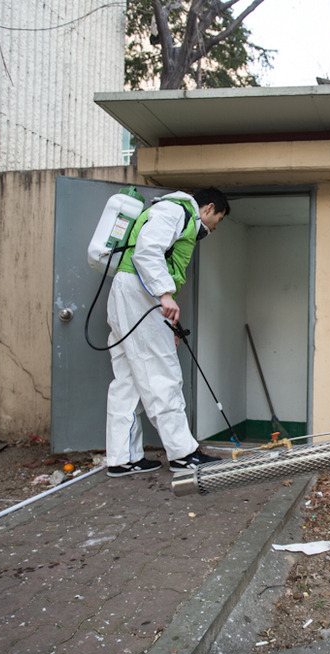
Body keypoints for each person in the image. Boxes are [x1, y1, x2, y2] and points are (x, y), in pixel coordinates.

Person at [105, 187, 231, 477]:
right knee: (162, 373)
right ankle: (183, 454)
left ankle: (122, 458)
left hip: (128, 294)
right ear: (209, 208)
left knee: (128, 380)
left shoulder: (171, 212)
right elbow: (147, 251)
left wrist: (167, 317)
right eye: (219, 219)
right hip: (141, 294)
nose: (214, 227)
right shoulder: (176, 210)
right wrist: (164, 294)